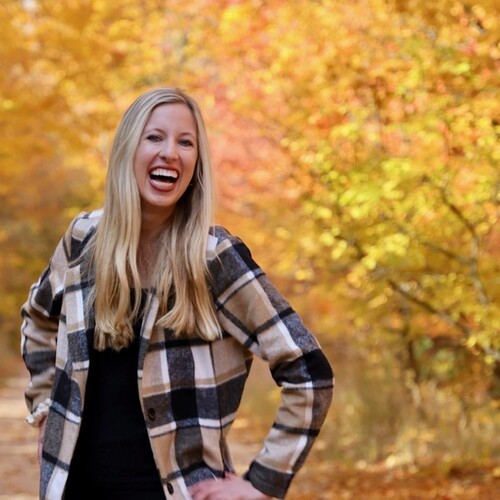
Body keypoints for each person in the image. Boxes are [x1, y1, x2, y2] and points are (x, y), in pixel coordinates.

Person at [21, 87, 334, 500]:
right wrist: (46, 409)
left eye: (186, 143)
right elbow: (38, 319)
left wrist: (262, 483)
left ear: (196, 163)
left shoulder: (215, 259)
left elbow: (309, 370)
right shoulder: (84, 240)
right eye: (155, 137)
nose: (170, 153)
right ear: (127, 149)